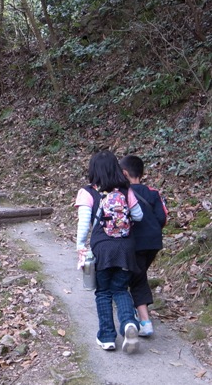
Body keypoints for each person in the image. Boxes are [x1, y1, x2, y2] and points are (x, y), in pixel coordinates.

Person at [74, 150, 143, 353]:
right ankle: (129, 323)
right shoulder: (126, 190)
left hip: (102, 249)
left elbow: (84, 223)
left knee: (103, 292)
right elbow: (138, 216)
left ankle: (107, 338)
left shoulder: (87, 193)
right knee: (121, 290)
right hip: (126, 248)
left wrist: (80, 246)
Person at [119, 155, 168, 337]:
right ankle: (138, 314)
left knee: (135, 278)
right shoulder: (153, 192)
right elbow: (162, 218)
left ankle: (143, 321)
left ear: (124, 173)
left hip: (135, 242)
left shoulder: (124, 193)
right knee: (139, 274)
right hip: (154, 242)